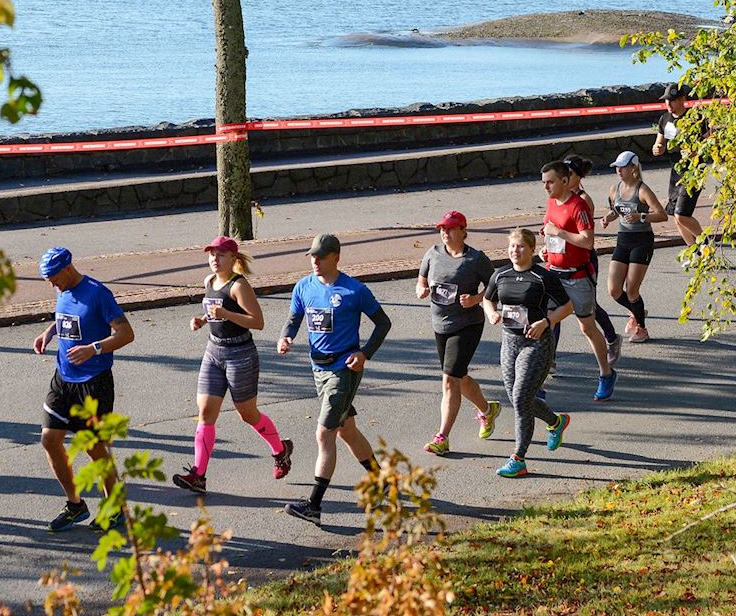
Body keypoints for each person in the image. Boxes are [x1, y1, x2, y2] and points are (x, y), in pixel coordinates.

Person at [279, 234, 392, 526]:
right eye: (312, 256)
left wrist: (365, 353)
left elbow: (383, 323)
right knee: (347, 431)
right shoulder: (304, 286)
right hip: (319, 369)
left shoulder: (354, 290)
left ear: (336, 257)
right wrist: (286, 336)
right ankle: (382, 483)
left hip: (345, 369)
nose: (315, 261)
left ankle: (314, 505)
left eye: (321, 256)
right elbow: (295, 317)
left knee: (324, 434)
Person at [171, 237, 293, 494]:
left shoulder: (239, 286)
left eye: (221, 255)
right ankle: (199, 475)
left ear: (233, 260)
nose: (215, 259)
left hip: (241, 354)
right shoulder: (208, 281)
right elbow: (214, 308)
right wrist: (202, 320)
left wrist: (226, 315)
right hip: (213, 352)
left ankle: (280, 450)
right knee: (205, 413)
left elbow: (257, 322)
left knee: (247, 414)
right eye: (212, 254)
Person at [32, 246, 135, 532]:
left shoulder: (98, 293)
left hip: (94, 383)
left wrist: (94, 348)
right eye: (47, 279)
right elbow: (65, 316)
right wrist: (49, 332)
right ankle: (75, 505)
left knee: (95, 449)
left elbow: (126, 334)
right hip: (63, 378)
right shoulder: (60, 289)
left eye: (53, 277)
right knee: (49, 440)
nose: (51, 283)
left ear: (68, 268)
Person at [483, 229, 574, 478]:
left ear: (531, 249)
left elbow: (568, 306)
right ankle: (556, 422)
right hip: (509, 342)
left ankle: (518, 458)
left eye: (521, 246)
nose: (515, 251)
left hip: (536, 344)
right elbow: (487, 299)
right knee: (516, 399)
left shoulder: (542, 277)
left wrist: (547, 321)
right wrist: (491, 313)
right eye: (512, 246)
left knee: (522, 397)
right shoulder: (500, 274)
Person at [414, 212, 499, 457]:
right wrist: (421, 288)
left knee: (449, 379)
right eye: (442, 229)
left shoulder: (475, 259)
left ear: (463, 230)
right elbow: (420, 279)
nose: (445, 233)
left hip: (467, 325)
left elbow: (495, 288)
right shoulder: (433, 253)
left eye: (451, 229)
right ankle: (487, 409)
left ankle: (442, 437)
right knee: (459, 378)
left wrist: (475, 299)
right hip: (440, 324)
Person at [540, 160, 617, 401]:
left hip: (578, 275)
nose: (546, 187)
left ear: (564, 181)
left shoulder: (579, 206)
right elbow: (548, 231)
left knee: (587, 327)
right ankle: (539, 380)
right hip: (554, 273)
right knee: (546, 324)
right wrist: (546, 250)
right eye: (544, 183)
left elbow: (587, 241)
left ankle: (606, 373)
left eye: (550, 182)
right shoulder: (552, 202)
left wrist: (559, 233)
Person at [561, 154, 622, 364]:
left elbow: (583, 234)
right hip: (560, 258)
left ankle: (612, 339)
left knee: (589, 306)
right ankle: (549, 357)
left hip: (583, 258)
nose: (565, 177)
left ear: (578, 176)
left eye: (569, 173)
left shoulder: (583, 200)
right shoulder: (558, 197)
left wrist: (560, 232)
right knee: (554, 306)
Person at [602, 151, 667, 343]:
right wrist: (608, 217)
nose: (619, 170)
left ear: (633, 168)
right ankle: (636, 311)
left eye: (622, 167)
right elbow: (616, 209)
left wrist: (642, 216)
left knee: (631, 290)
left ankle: (642, 329)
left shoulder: (643, 190)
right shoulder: (615, 189)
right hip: (623, 239)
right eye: (617, 167)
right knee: (614, 290)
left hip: (642, 240)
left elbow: (662, 215)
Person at [652, 84, 707, 247]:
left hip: (694, 173)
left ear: (683, 100)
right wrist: (658, 149)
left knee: (682, 215)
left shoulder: (696, 117)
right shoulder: (665, 119)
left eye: (673, 100)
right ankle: (695, 251)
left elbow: (711, 141)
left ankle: (706, 245)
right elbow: (658, 143)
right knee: (676, 217)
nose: (669, 104)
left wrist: (696, 151)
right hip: (676, 172)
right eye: (667, 100)